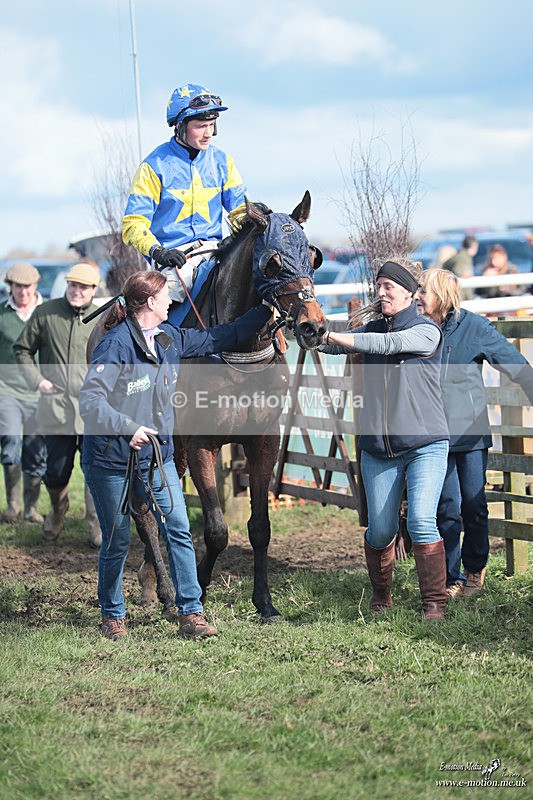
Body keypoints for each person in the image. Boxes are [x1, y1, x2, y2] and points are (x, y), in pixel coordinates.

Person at [78, 270, 272, 640]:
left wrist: (264, 310)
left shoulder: (169, 337)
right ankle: (113, 615)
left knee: (179, 530)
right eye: (166, 295)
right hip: (111, 459)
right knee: (117, 540)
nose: (172, 301)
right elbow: (90, 400)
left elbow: (220, 336)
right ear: (150, 302)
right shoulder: (115, 345)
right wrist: (127, 427)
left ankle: (191, 613)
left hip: (157, 457)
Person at [321, 258, 450, 620]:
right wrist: (312, 332)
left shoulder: (426, 331)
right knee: (380, 531)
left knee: (421, 520)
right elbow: (335, 345)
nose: (380, 292)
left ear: (408, 292)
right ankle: (381, 595)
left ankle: (434, 604)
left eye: (388, 286)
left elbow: (386, 344)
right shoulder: (373, 327)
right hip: (379, 448)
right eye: (378, 286)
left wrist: (334, 335)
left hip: (426, 443)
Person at [415, 268, 533, 597]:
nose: (417, 296)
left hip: (470, 434)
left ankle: (475, 568)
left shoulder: (475, 327)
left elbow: (514, 363)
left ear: (442, 296)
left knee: (474, 505)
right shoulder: (416, 329)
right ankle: (450, 577)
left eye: (423, 290)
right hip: (433, 436)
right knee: (446, 508)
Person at [122, 83, 247, 306]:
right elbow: (133, 224)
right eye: (200, 126)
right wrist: (158, 252)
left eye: (211, 125)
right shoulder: (153, 167)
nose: (209, 133)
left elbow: (240, 210)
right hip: (174, 260)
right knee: (158, 304)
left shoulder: (223, 162)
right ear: (180, 126)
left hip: (216, 251)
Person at [13, 262, 103, 547]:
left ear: (94, 290)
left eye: (83, 287)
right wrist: (36, 380)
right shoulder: (46, 313)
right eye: (73, 285)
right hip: (55, 409)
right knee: (55, 472)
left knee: (94, 470)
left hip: (92, 410)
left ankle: (96, 523)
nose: (77, 291)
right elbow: (22, 349)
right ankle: (58, 509)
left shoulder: (103, 318)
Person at [0, 262, 47, 523]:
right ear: (11, 287)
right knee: (10, 442)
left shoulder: (46, 312)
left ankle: (32, 508)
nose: (23, 292)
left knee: (36, 449)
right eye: (18, 286)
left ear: (35, 285)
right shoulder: (2, 314)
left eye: (27, 286)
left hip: (40, 392)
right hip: (6, 390)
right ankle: (13, 506)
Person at [442, 235, 478, 300]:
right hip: (458, 298)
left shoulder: (458, 255)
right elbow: (461, 278)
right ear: (475, 246)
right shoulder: (464, 258)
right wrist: (468, 298)